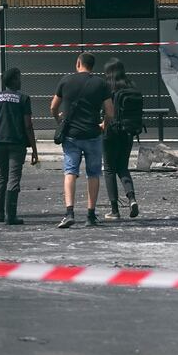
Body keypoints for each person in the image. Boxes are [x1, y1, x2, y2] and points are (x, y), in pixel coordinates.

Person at [50, 52, 113, 228]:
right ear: (92, 66)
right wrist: (103, 125)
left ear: (78, 63)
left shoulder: (66, 81)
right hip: (93, 134)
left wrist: (59, 121)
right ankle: (90, 215)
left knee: (70, 172)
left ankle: (69, 213)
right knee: (93, 174)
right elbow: (110, 112)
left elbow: (53, 106)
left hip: (71, 136)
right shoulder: (101, 83)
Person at [0, 68, 39, 225]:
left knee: (1, 176)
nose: (20, 81)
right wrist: (34, 149)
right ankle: (11, 216)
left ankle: (0, 214)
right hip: (17, 144)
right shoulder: (23, 98)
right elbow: (28, 126)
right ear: (13, 80)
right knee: (13, 178)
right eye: (19, 78)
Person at [102, 58, 140, 220]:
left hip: (111, 132)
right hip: (128, 131)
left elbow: (104, 111)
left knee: (109, 169)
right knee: (123, 167)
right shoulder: (131, 86)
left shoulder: (107, 88)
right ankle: (132, 199)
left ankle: (114, 210)